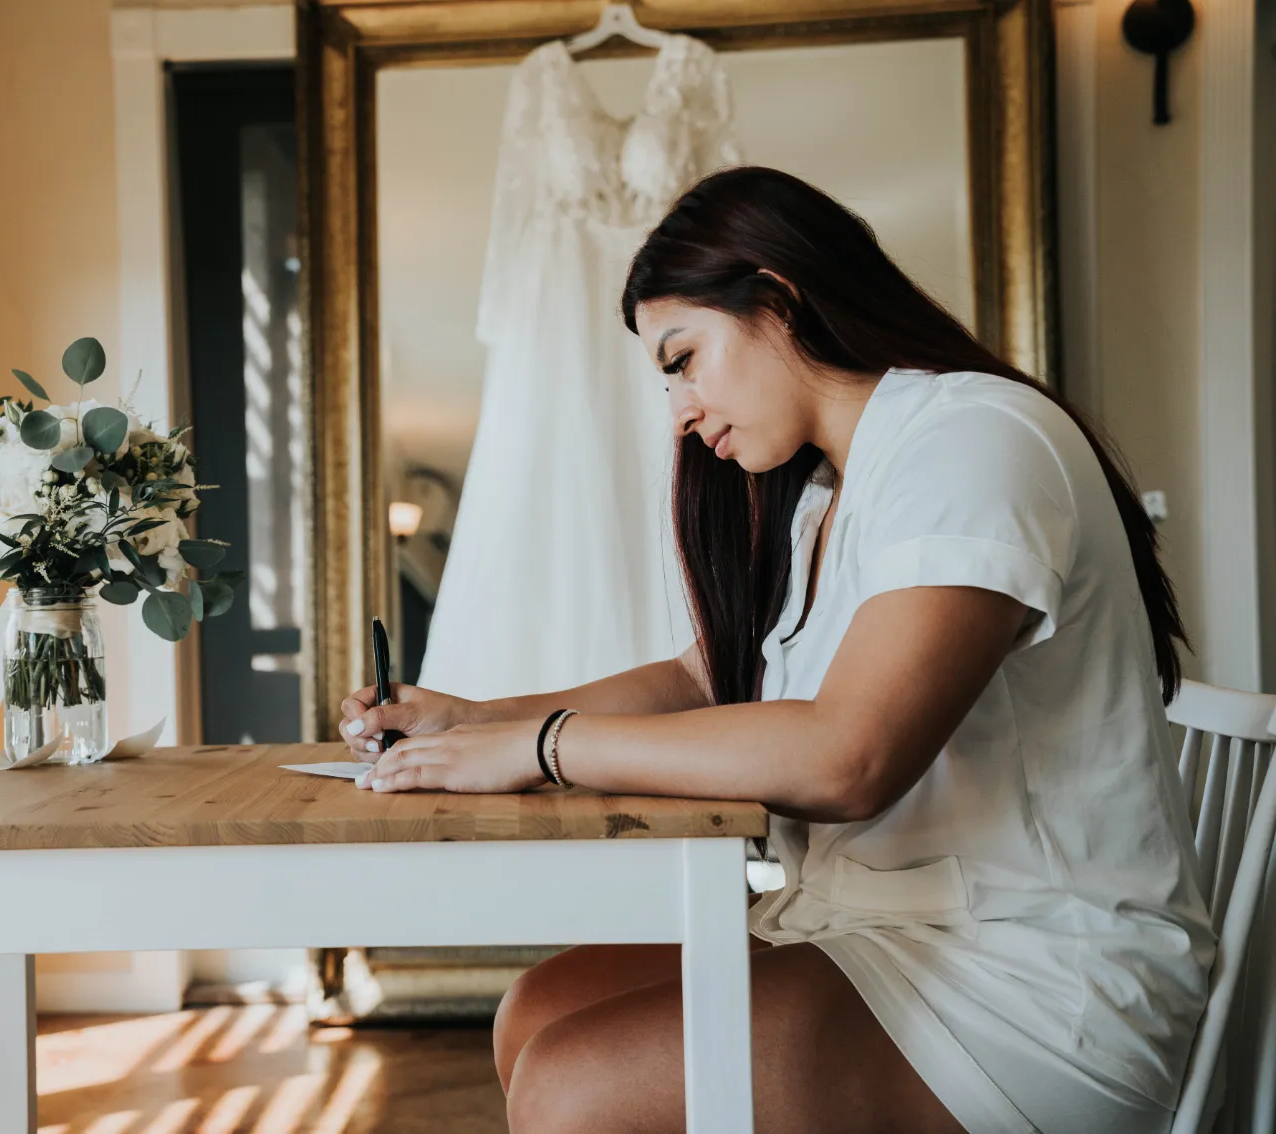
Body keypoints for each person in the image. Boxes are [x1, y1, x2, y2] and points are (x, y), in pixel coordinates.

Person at [336, 167, 1214, 1134]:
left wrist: (544, 745)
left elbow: (850, 758)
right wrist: (476, 719)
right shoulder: (828, 497)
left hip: (1037, 977)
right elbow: (700, 678)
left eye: (685, 359)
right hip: (883, 925)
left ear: (779, 301)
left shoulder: (972, 441)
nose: (680, 411)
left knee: (573, 1084)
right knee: (536, 1013)